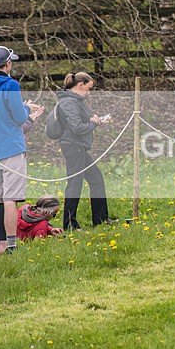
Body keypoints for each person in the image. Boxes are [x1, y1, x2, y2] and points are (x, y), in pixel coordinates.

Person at [0, 46, 41, 256]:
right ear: (8, 64)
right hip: (11, 147)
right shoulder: (11, 85)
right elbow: (20, 118)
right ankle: (11, 246)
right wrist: (28, 108)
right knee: (10, 199)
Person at [56, 72, 110, 230]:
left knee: (96, 179)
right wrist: (93, 123)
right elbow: (76, 127)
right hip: (73, 146)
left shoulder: (77, 101)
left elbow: (81, 121)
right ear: (80, 85)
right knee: (74, 184)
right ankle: (69, 224)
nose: (89, 92)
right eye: (88, 88)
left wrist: (95, 120)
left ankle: (100, 219)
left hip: (79, 146)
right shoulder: (68, 102)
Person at [0, 105, 45, 253]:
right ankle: (3, 243)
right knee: (6, 201)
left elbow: (19, 128)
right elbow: (12, 130)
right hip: (9, 155)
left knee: (3, 202)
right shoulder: (3, 107)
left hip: (1, 153)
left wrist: (30, 119)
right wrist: (25, 110)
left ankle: (0, 243)